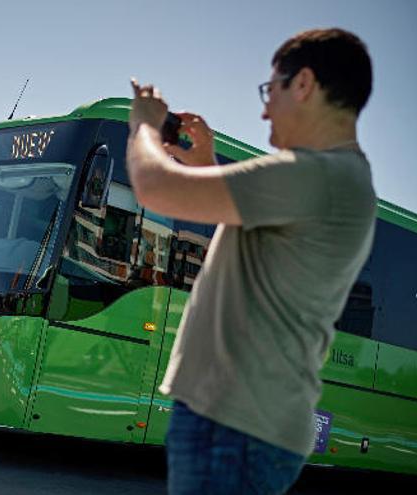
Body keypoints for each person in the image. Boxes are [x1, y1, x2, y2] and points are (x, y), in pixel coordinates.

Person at [125, 28, 376, 494]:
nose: (264, 111)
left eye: (270, 91)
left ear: (303, 84)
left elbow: (154, 188)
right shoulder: (338, 179)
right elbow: (244, 237)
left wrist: (143, 124)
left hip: (235, 424)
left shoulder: (314, 175)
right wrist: (204, 162)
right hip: (246, 423)